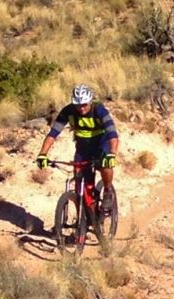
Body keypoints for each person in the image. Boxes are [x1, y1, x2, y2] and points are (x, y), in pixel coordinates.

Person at [36, 85, 119, 221]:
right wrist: (42, 154)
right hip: (83, 147)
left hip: (101, 144)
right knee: (81, 182)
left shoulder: (99, 111)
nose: (81, 108)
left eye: (84, 105)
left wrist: (112, 154)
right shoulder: (68, 112)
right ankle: (87, 219)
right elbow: (53, 134)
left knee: (106, 164)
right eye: (78, 105)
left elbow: (112, 134)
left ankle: (108, 191)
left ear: (90, 101)